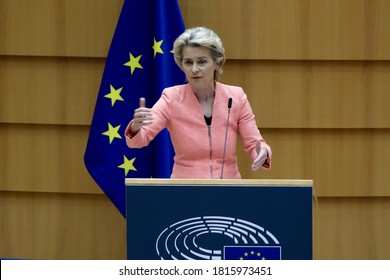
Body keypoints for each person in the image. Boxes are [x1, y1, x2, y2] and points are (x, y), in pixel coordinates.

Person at [125, 27, 271, 179]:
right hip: (185, 190)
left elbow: (255, 143)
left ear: (217, 63)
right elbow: (139, 141)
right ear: (181, 65)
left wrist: (262, 151)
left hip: (228, 190)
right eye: (188, 62)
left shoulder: (236, 97)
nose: (194, 69)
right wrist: (136, 127)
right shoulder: (171, 98)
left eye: (202, 62)